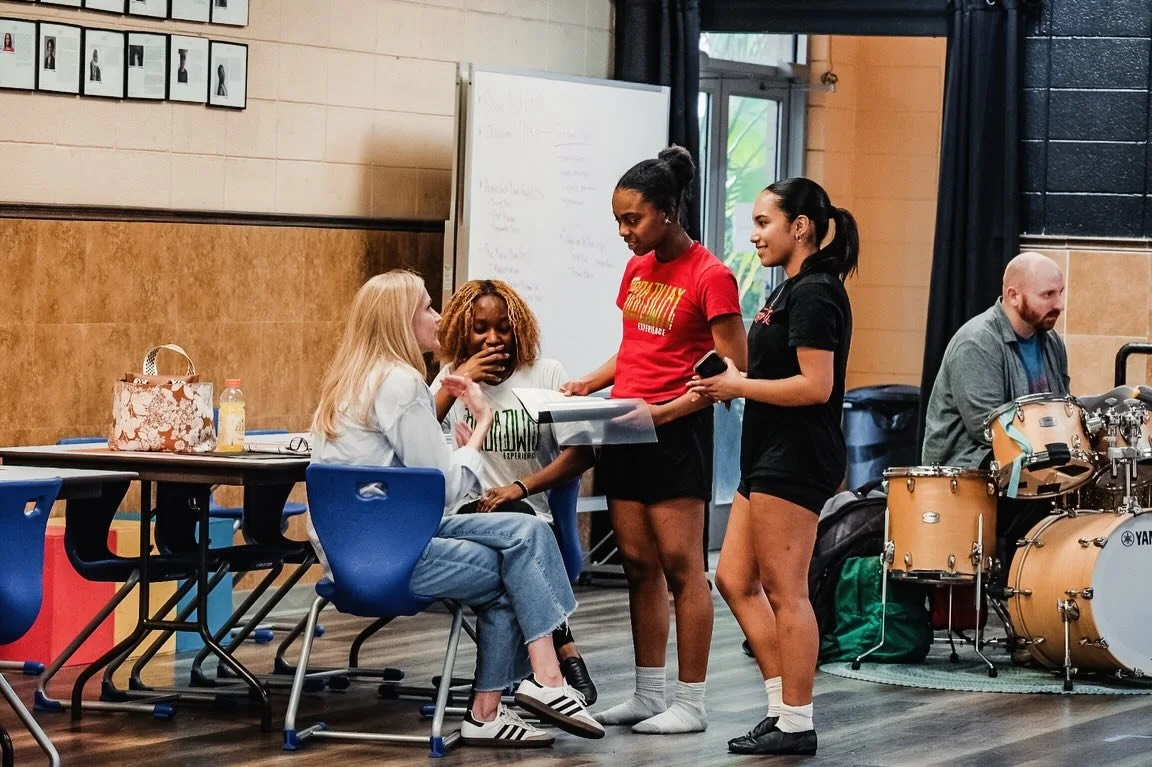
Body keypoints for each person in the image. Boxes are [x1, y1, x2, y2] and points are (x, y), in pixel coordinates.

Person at [308, 270, 604, 749]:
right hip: (397, 557)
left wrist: (457, 454)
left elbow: (412, 475)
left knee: (523, 539)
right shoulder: (402, 383)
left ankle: (526, 690)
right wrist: (480, 430)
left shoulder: (348, 380)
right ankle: (526, 690)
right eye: (427, 307)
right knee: (518, 556)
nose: (439, 317)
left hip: (347, 557)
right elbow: (441, 491)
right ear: (401, 322)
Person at [564, 146, 747, 735]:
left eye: (632, 220)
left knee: (681, 567)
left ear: (667, 212)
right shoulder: (637, 268)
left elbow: (732, 371)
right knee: (638, 565)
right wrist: (588, 383)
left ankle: (690, 703)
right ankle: (648, 693)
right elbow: (636, 347)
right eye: (618, 219)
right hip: (625, 427)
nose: (623, 231)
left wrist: (665, 412)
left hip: (674, 434)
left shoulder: (710, 274)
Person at [691, 177, 858, 756]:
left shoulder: (815, 293)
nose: (754, 234)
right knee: (734, 579)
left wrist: (740, 384)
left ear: (800, 227)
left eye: (764, 223)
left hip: (796, 457)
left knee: (787, 592)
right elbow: (771, 372)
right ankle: (780, 708)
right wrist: (731, 381)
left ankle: (797, 721)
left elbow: (817, 386)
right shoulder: (786, 292)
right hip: (766, 453)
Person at [431, 279, 600, 704]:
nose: (493, 339)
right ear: (461, 332)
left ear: (518, 328)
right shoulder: (450, 379)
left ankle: (501, 689)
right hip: (467, 515)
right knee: (513, 531)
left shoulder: (546, 373)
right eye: (480, 329)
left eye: (503, 328)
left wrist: (519, 487)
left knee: (520, 523)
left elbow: (582, 453)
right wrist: (457, 379)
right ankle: (564, 654)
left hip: (529, 514)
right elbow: (417, 438)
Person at [921, 251, 1070, 579]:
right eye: (1048, 295)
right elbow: (988, 429)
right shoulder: (977, 343)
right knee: (1049, 502)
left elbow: (1061, 408)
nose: (1058, 303)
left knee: (1083, 488)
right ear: (1014, 296)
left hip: (1022, 465)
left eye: (1060, 293)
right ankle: (1027, 594)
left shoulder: (1051, 343)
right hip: (971, 474)